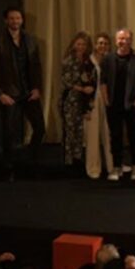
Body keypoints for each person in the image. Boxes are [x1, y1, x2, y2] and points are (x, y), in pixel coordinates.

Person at [0, 6, 45, 181]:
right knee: (9, 133)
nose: (15, 21)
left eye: (17, 18)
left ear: (22, 20)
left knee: (40, 128)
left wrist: (37, 88)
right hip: (9, 93)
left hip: (29, 92)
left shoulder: (31, 40)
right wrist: (0, 94)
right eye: (11, 18)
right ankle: (8, 168)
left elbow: (37, 66)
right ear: (6, 21)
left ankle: (31, 162)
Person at [101, 28, 135, 182]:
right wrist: (107, 101)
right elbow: (103, 82)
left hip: (131, 106)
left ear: (131, 40)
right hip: (113, 105)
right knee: (115, 137)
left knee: (134, 137)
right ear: (116, 41)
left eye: (126, 38)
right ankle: (117, 167)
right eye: (120, 39)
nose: (123, 42)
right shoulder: (108, 59)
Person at [59, 31, 95, 173]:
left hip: (82, 101)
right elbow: (66, 81)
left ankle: (78, 158)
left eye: (84, 44)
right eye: (78, 44)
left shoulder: (87, 60)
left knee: (80, 131)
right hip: (69, 99)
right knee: (69, 131)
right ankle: (68, 161)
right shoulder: (68, 60)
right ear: (74, 44)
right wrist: (82, 89)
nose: (81, 47)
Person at [85, 32, 115, 180]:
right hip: (93, 99)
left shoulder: (112, 60)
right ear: (95, 45)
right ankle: (93, 168)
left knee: (108, 134)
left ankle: (111, 167)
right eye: (100, 43)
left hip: (108, 99)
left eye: (105, 43)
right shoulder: (88, 61)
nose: (102, 46)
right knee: (92, 135)